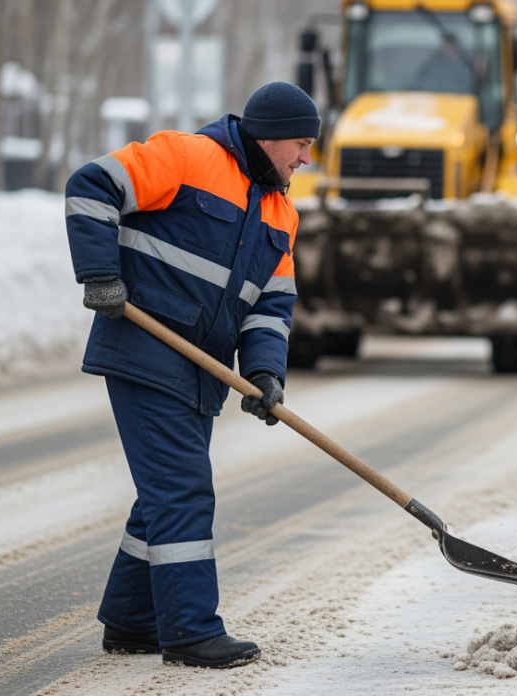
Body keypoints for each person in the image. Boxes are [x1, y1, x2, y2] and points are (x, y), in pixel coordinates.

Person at [64, 82, 318, 668]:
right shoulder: (188, 157)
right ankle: (190, 630)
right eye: (301, 145)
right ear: (271, 135)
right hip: (146, 345)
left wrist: (263, 374)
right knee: (181, 489)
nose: (306, 158)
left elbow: (271, 306)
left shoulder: (281, 212)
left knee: (162, 493)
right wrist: (99, 273)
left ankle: (132, 619)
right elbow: (91, 184)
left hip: (202, 369)